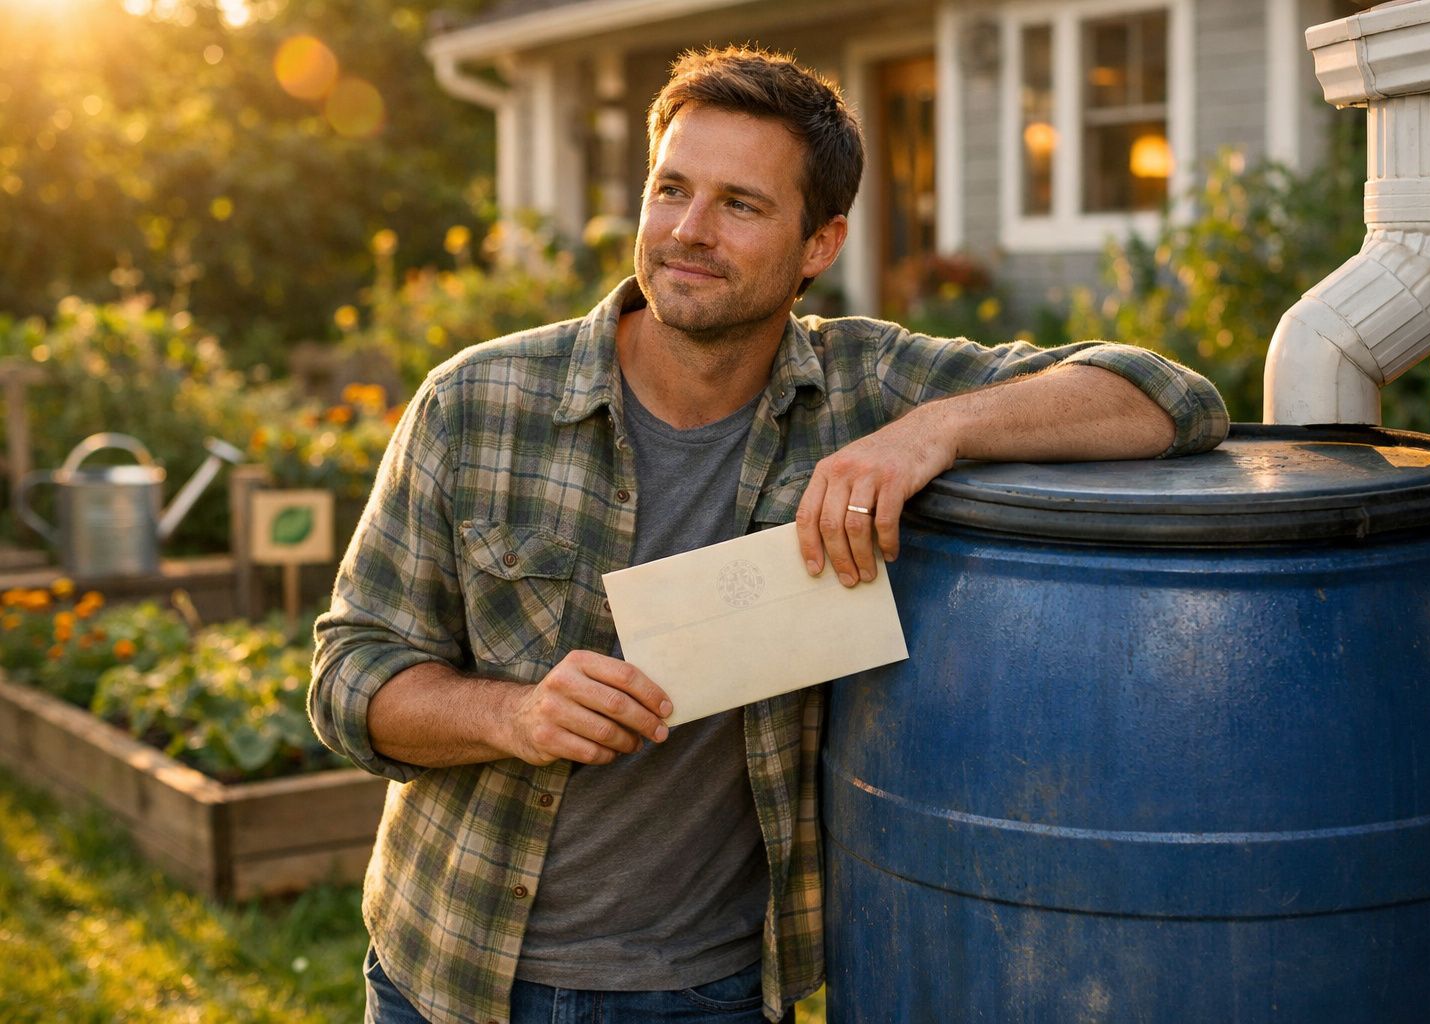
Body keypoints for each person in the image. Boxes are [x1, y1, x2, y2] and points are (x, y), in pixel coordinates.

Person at [310, 44, 1229, 1024]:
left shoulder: (867, 387)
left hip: (709, 992)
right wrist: (514, 714)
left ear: (819, 244)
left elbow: (1169, 397)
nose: (687, 232)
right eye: (671, 190)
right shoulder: (474, 402)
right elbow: (348, 678)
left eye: (739, 205)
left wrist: (931, 432)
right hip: (450, 974)